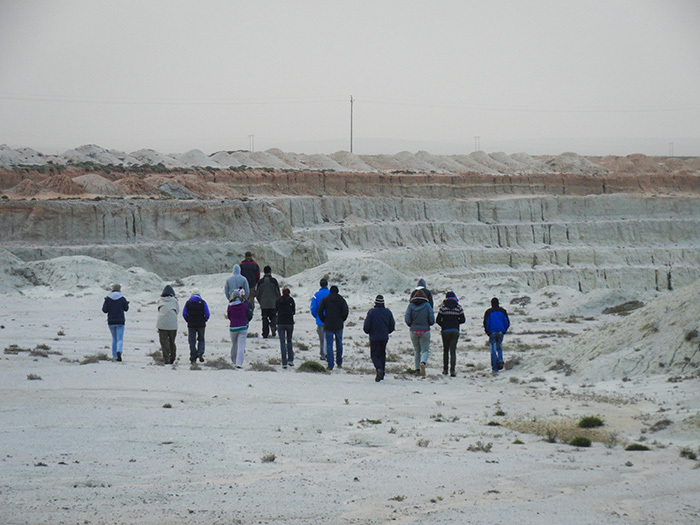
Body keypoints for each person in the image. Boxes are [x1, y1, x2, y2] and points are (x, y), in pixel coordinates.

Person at [363, 294, 395, 382]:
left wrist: (368, 331)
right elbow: (392, 326)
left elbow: (367, 325)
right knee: (382, 354)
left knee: (374, 355)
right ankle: (382, 373)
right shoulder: (388, 312)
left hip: (374, 337)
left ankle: (379, 369)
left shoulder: (372, 312)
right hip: (384, 337)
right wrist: (386, 332)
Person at [318, 285, 349, 370]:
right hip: (339, 325)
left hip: (328, 324)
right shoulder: (341, 300)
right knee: (339, 343)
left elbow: (320, 311)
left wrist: (324, 320)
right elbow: (346, 311)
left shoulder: (325, 300)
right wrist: (342, 319)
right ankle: (339, 362)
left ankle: (330, 364)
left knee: (329, 345)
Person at [405, 289, 434, 376]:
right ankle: (423, 362)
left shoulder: (410, 306)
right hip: (425, 331)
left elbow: (407, 319)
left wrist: (411, 325)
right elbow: (432, 319)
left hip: (413, 331)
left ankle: (417, 369)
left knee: (417, 350)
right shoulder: (427, 305)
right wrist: (428, 324)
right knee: (425, 350)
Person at [436, 291, 466, 377]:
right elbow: (463, 320)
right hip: (455, 331)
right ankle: (452, 370)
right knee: (453, 351)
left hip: (445, 331)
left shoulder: (443, 307)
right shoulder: (458, 307)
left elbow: (438, 320)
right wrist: (456, 323)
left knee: (445, 350)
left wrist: (444, 324)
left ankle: (445, 369)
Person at [102, 283, 129, 362]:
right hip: (120, 321)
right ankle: (119, 351)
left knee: (114, 338)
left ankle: (114, 356)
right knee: (120, 338)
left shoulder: (108, 298)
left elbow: (104, 310)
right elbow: (126, 309)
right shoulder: (122, 298)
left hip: (111, 321)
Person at [227, 289, 254, 369]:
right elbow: (247, 314)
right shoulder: (244, 305)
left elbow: (229, 316)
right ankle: (239, 363)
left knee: (234, 344)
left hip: (233, 327)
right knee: (241, 346)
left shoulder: (230, 306)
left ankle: (234, 360)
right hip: (243, 326)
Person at [182, 289, 210, 365]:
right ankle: (200, 352)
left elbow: (184, 313)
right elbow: (207, 313)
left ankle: (193, 356)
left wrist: (187, 320)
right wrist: (205, 320)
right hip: (201, 324)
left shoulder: (188, 303)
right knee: (201, 339)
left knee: (192, 341)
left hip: (191, 324)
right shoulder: (203, 302)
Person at [483, 297, 510, 373]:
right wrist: (504, 330)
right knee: (499, 347)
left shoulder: (488, 312)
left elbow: (486, 323)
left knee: (493, 349)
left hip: (492, 332)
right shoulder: (503, 311)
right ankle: (500, 360)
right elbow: (507, 322)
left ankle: (495, 368)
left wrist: (488, 332)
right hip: (501, 331)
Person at [156, 284, 179, 365]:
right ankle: (173, 357)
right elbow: (177, 311)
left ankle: (166, 359)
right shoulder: (175, 300)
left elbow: (158, 310)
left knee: (163, 342)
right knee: (172, 341)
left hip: (161, 324)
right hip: (172, 325)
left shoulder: (159, 300)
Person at [255, 265, 281, 338]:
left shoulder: (260, 281)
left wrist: (260, 302)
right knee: (273, 317)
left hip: (263, 304)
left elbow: (257, 294)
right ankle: (273, 326)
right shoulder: (274, 281)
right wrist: (278, 302)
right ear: (270, 272)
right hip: (273, 303)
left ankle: (265, 333)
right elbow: (277, 293)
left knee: (264, 318)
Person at [310, 278, 330, 360]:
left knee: (322, 339)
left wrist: (316, 316)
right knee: (329, 338)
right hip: (330, 319)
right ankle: (328, 353)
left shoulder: (316, 295)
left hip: (320, 320)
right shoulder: (330, 293)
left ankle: (322, 354)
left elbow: (313, 307)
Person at [275, 287, 296, 368]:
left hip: (280, 322)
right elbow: (293, 311)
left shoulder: (278, 300)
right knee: (289, 341)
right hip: (289, 322)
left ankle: (284, 362)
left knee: (282, 342)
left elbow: (276, 310)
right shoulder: (291, 300)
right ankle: (290, 360)